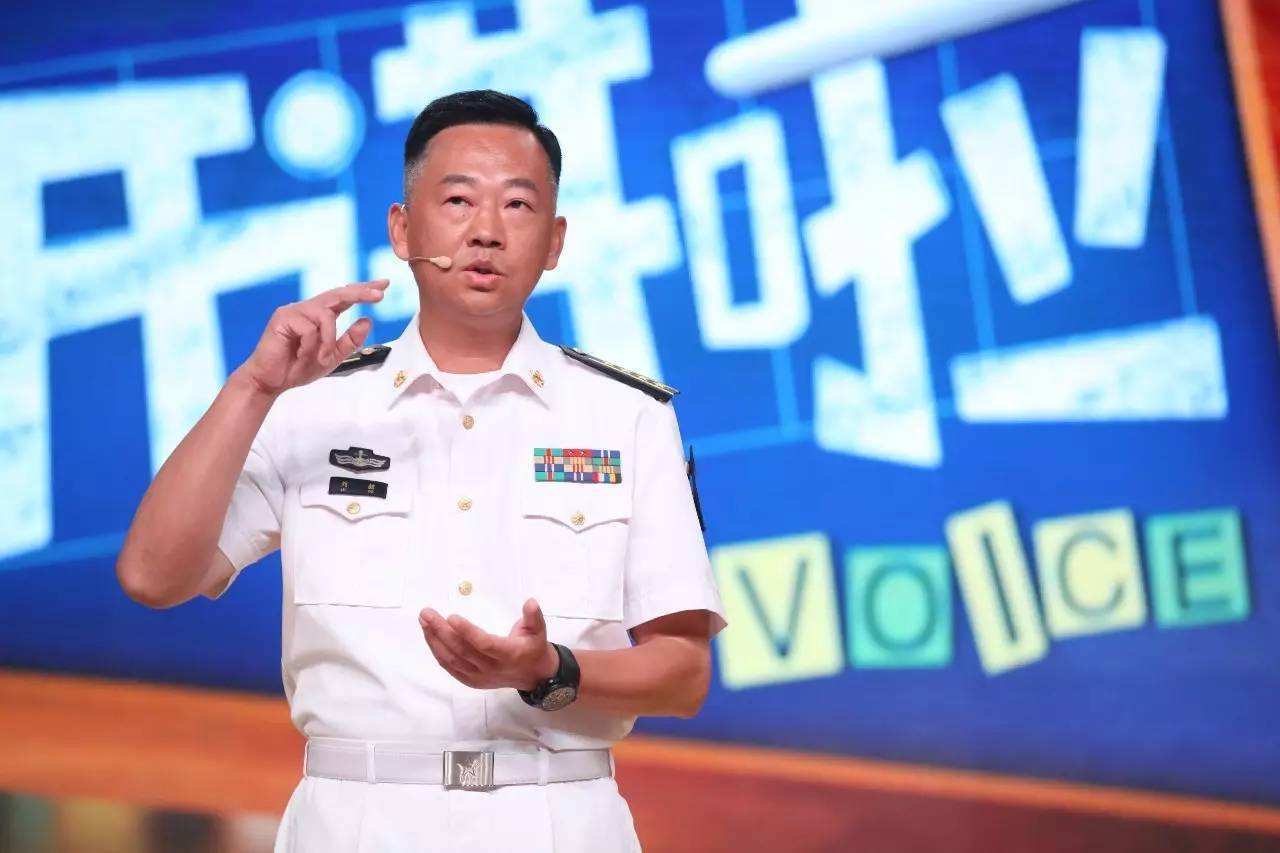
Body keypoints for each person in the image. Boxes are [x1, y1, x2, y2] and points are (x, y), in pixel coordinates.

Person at [116, 89, 727, 852]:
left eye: (517, 204)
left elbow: (683, 673)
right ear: (403, 229)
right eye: (458, 200)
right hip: (357, 819)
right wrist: (251, 389)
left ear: (555, 241)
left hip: (558, 817)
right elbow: (153, 576)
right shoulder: (308, 403)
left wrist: (550, 667)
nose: (486, 230)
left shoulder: (627, 417)